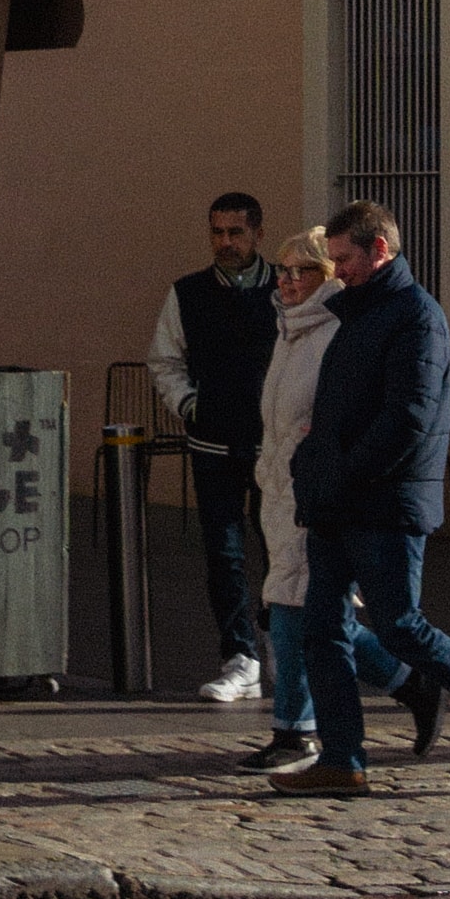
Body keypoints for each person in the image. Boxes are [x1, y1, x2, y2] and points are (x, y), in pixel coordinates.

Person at [279, 207, 450, 794]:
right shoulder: (358, 313)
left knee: (399, 625)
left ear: (380, 251)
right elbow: (338, 412)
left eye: (344, 259)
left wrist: (339, 471)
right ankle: (343, 759)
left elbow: (410, 417)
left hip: (384, 503)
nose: (336, 271)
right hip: (337, 500)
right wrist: (314, 464)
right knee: (324, 628)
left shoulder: (417, 317)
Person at [239, 236, 416, 777]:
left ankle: (298, 730)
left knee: (296, 613)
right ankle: (411, 682)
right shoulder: (289, 331)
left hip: (316, 493)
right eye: (282, 270)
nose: (288, 280)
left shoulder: (337, 330)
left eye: (304, 270)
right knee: (305, 613)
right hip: (279, 491)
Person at [146, 187, 283, 707]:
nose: (225, 242)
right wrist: (188, 405)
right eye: (217, 232)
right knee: (223, 555)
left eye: (235, 232)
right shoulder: (187, 293)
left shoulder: (286, 288)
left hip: (273, 448)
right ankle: (239, 657)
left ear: (257, 234)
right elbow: (165, 360)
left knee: (281, 550)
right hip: (212, 444)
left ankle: (277, 640)